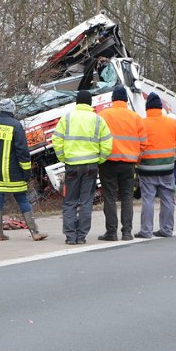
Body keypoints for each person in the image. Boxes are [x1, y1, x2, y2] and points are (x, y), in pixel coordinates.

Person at [0, 98, 47, 242]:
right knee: (23, 199)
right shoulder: (16, 126)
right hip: (13, 172)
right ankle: (35, 233)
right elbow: (22, 152)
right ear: (12, 108)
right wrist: (26, 172)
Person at [52, 90, 112, 244]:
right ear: (90, 103)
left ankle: (71, 237)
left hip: (72, 165)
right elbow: (107, 144)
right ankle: (81, 236)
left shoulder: (67, 118)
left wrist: (63, 157)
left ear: (77, 103)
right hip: (91, 166)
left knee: (70, 201)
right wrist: (99, 160)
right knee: (86, 201)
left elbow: (56, 141)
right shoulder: (98, 120)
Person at [97, 86, 147, 241]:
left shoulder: (103, 115)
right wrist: (136, 159)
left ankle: (111, 233)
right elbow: (144, 143)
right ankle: (127, 232)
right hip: (128, 163)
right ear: (126, 100)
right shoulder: (135, 117)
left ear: (112, 99)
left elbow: (96, 138)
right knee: (127, 197)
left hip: (108, 162)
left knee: (110, 197)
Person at [134, 93, 176, 238]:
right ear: (161, 108)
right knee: (168, 199)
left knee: (148, 199)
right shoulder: (172, 123)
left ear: (147, 109)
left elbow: (137, 145)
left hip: (146, 168)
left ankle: (146, 231)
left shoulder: (141, 123)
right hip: (167, 168)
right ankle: (166, 230)